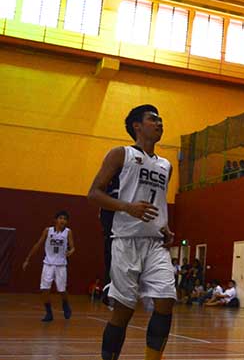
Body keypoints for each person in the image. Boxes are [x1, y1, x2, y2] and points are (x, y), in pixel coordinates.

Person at [87, 104, 176, 360]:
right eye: (153, 119)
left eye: (161, 120)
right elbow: (94, 193)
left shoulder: (166, 165)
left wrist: (165, 226)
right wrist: (128, 208)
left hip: (155, 243)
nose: (159, 123)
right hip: (125, 240)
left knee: (166, 300)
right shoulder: (120, 154)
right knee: (123, 311)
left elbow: (157, 201)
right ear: (137, 126)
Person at [22, 211, 75, 321]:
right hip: (48, 264)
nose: (63, 221)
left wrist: (71, 251)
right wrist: (27, 259)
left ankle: (65, 304)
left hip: (61, 265)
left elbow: (73, 247)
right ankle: (49, 313)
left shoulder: (68, 232)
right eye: (60, 218)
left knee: (62, 290)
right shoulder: (48, 231)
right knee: (44, 289)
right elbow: (38, 244)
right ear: (55, 220)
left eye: (65, 219)